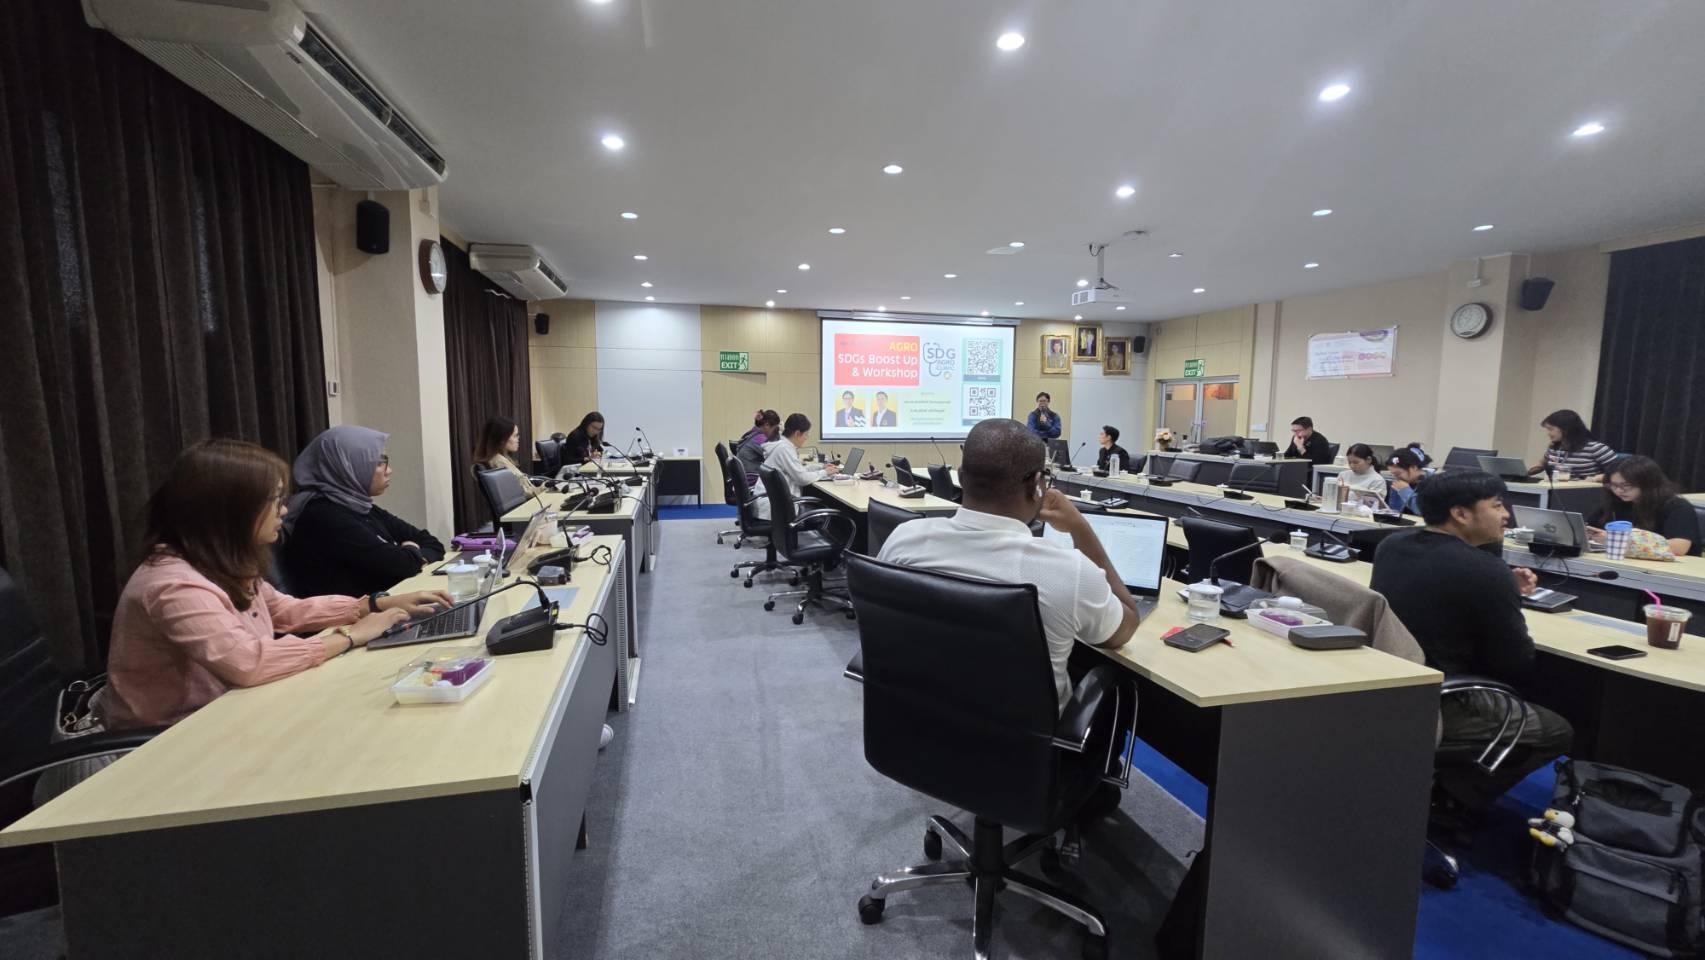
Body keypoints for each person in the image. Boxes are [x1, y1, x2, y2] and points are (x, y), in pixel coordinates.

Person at [100, 440, 449, 730]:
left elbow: (283, 610)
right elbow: (248, 662)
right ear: (231, 510)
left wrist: (373, 605)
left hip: (231, 713)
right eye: (275, 500)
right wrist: (350, 636)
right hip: (168, 740)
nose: (283, 511)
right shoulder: (173, 584)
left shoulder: (218, 562)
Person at [879, 418, 1141, 713]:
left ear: (961, 477)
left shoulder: (905, 538)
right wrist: (1080, 527)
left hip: (916, 723)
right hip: (1027, 740)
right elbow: (1124, 629)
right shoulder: (1068, 571)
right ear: (1037, 485)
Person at [1370, 470, 1573, 815]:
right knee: (1556, 729)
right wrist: (1500, 587)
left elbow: (1442, 581)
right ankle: (1452, 802)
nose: (1506, 515)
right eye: (1497, 505)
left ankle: (1438, 792)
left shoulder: (1392, 545)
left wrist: (1501, 585)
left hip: (1391, 685)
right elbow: (1514, 664)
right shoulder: (1485, 571)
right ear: (1461, 514)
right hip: (1444, 699)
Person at [281, 426, 446, 599]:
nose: (389, 470)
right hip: (355, 614)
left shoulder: (360, 506)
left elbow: (432, 543)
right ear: (347, 466)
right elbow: (403, 565)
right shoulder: (323, 515)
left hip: (386, 603)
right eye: (379, 462)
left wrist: (412, 555)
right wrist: (412, 550)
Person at [1588, 455, 1700, 556]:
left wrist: (1616, 540)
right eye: (1613, 485)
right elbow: (1591, 527)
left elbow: (1679, 547)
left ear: (1647, 483)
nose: (1618, 490)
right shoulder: (1616, 502)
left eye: (1626, 485)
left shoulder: (1677, 507)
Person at [754, 413, 839, 519]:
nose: (806, 438)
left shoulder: (782, 445)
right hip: (776, 507)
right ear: (797, 433)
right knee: (826, 510)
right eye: (806, 434)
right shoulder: (785, 449)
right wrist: (825, 472)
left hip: (771, 502)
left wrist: (821, 467)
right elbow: (802, 478)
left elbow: (798, 470)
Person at [1530, 409, 1618, 480]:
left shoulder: (1595, 448)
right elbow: (1541, 465)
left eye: (1551, 429)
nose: (1548, 433)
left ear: (1565, 429)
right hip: (1556, 489)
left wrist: (1596, 478)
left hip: (1584, 492)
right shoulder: (1554, 447)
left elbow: (1619, 472)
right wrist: (1524, 473)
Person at [474, 415, 546, 490]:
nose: (518, 439)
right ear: (502, 439)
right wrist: (546, 487)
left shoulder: (500, 458)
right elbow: (523, 492)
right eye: (515, 436)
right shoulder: (499, 462)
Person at [736, 409, 781, 485]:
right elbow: (776, 455)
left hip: (745, 478)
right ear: (767, 425)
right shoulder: (759, 438)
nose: (776, 432)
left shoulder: (753, 433)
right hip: (752, 479)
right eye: (775, 429)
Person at [1386, 446, 1432, 516]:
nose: (1396, 477)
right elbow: (1394, 512)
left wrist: (1404, 490)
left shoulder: (1433, 483)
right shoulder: (1400, 482)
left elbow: (1424, 511)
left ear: (1413, 467)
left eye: (1398, 474)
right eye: (1392, 474)